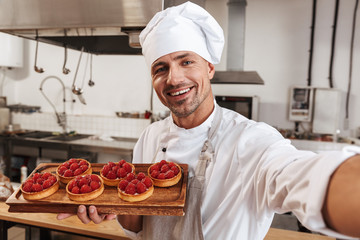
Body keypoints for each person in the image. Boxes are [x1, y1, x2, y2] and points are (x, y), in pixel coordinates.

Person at [58, 2, 360, 239]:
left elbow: (300, 176)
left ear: (209, 68)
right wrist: (113, 207)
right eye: (160, 68)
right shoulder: (150, 138)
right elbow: (136, 225)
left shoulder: (251, 140)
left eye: (186, 61)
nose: (174, 78)